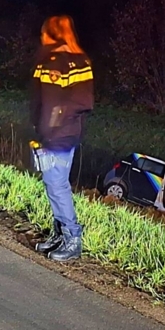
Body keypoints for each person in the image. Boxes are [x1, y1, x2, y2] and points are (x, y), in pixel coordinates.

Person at [31, 15, 94, 262]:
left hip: (59, 135)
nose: (41, 37)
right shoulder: (66, 61)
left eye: (44, 33)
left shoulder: (65, 63)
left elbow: (74, 102)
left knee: (57, 186)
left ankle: (72, 238)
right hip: (59, 133)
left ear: (53, 35)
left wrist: (52, 125)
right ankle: (60, 233)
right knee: (55, 184)